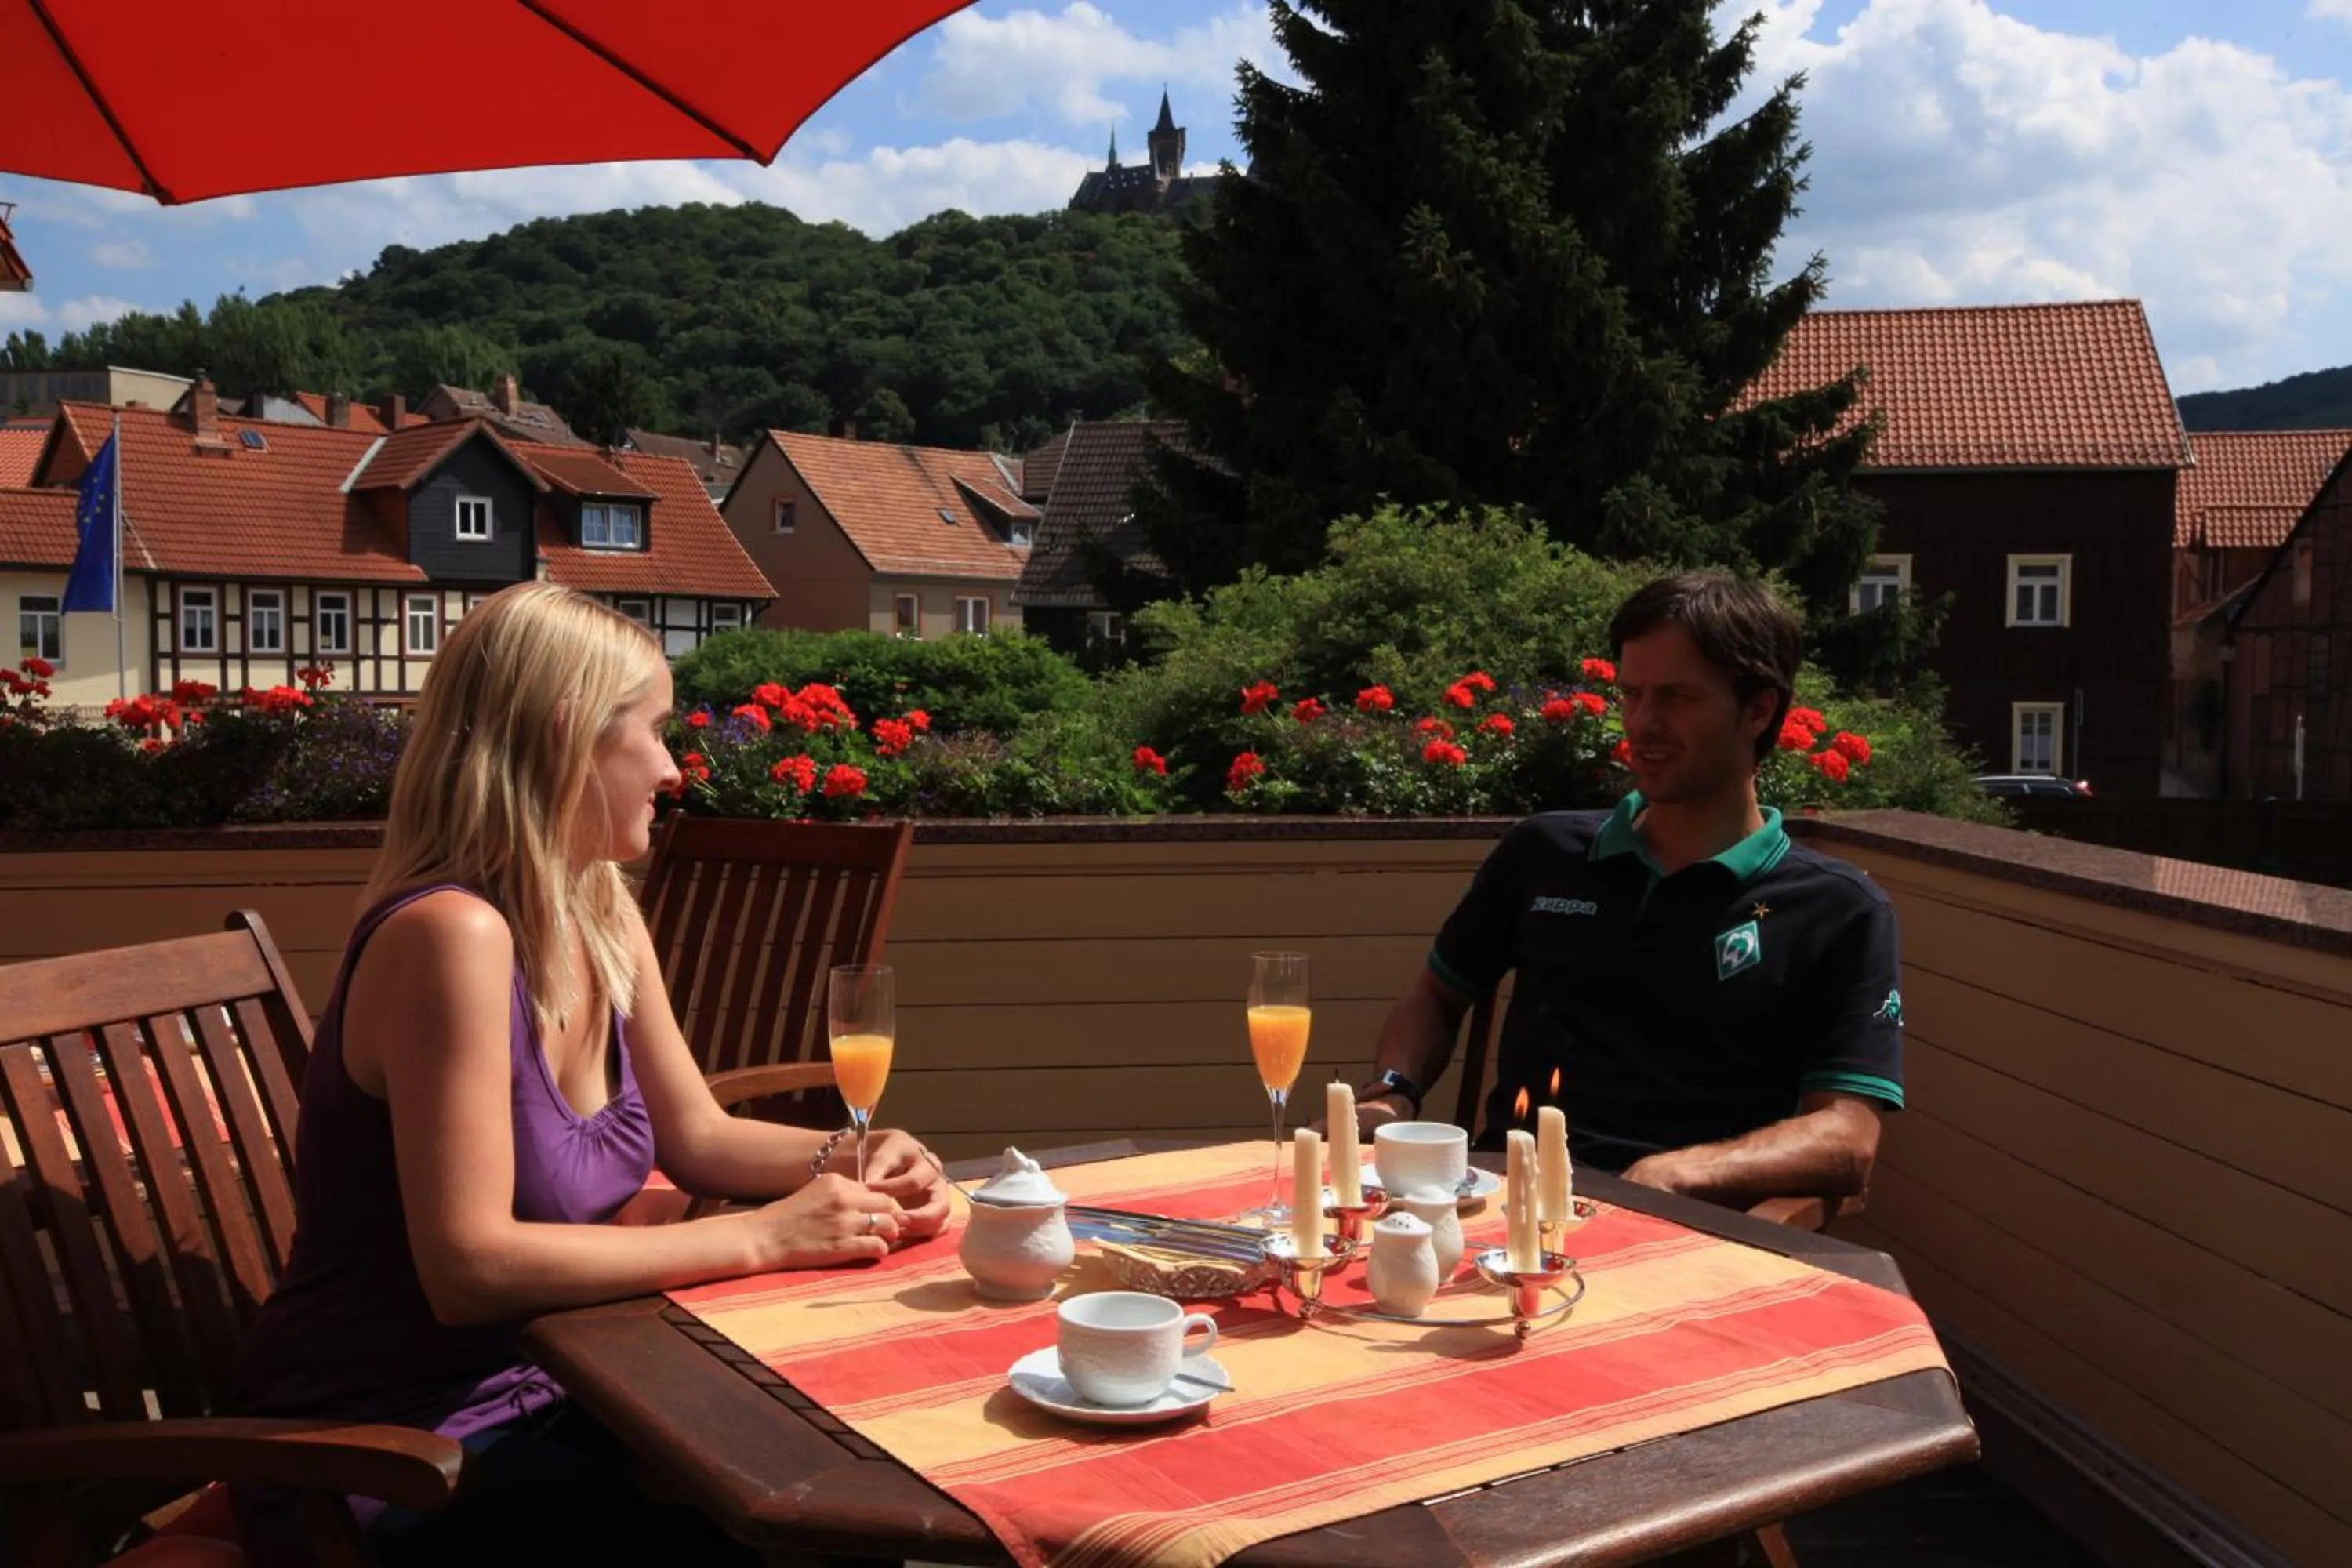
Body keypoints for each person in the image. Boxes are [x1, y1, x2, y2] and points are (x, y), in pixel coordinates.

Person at [233, 582, 949, 1566]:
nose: (671, 766)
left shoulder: (599, 907)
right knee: (795, 1524)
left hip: (570, 1386)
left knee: (858, 1470)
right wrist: (763, 1235)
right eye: (653, 731)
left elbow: (697, 1135)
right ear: (570, 734)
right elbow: (469, 1266)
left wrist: (851, 1151)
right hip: (392, 1453)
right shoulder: (451, 936)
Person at [1349, 571, 1903, 1209]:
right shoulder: (1544, 853)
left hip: (1690, 1237)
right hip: (1501, 1211)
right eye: (1631, 694)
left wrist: (1673, 1174)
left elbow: (1848, 1136)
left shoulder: (1840, 910)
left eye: (1674, 697)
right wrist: (1392, 1089)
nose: (1642, 723)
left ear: (1758, 709)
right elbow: (1438, 996)